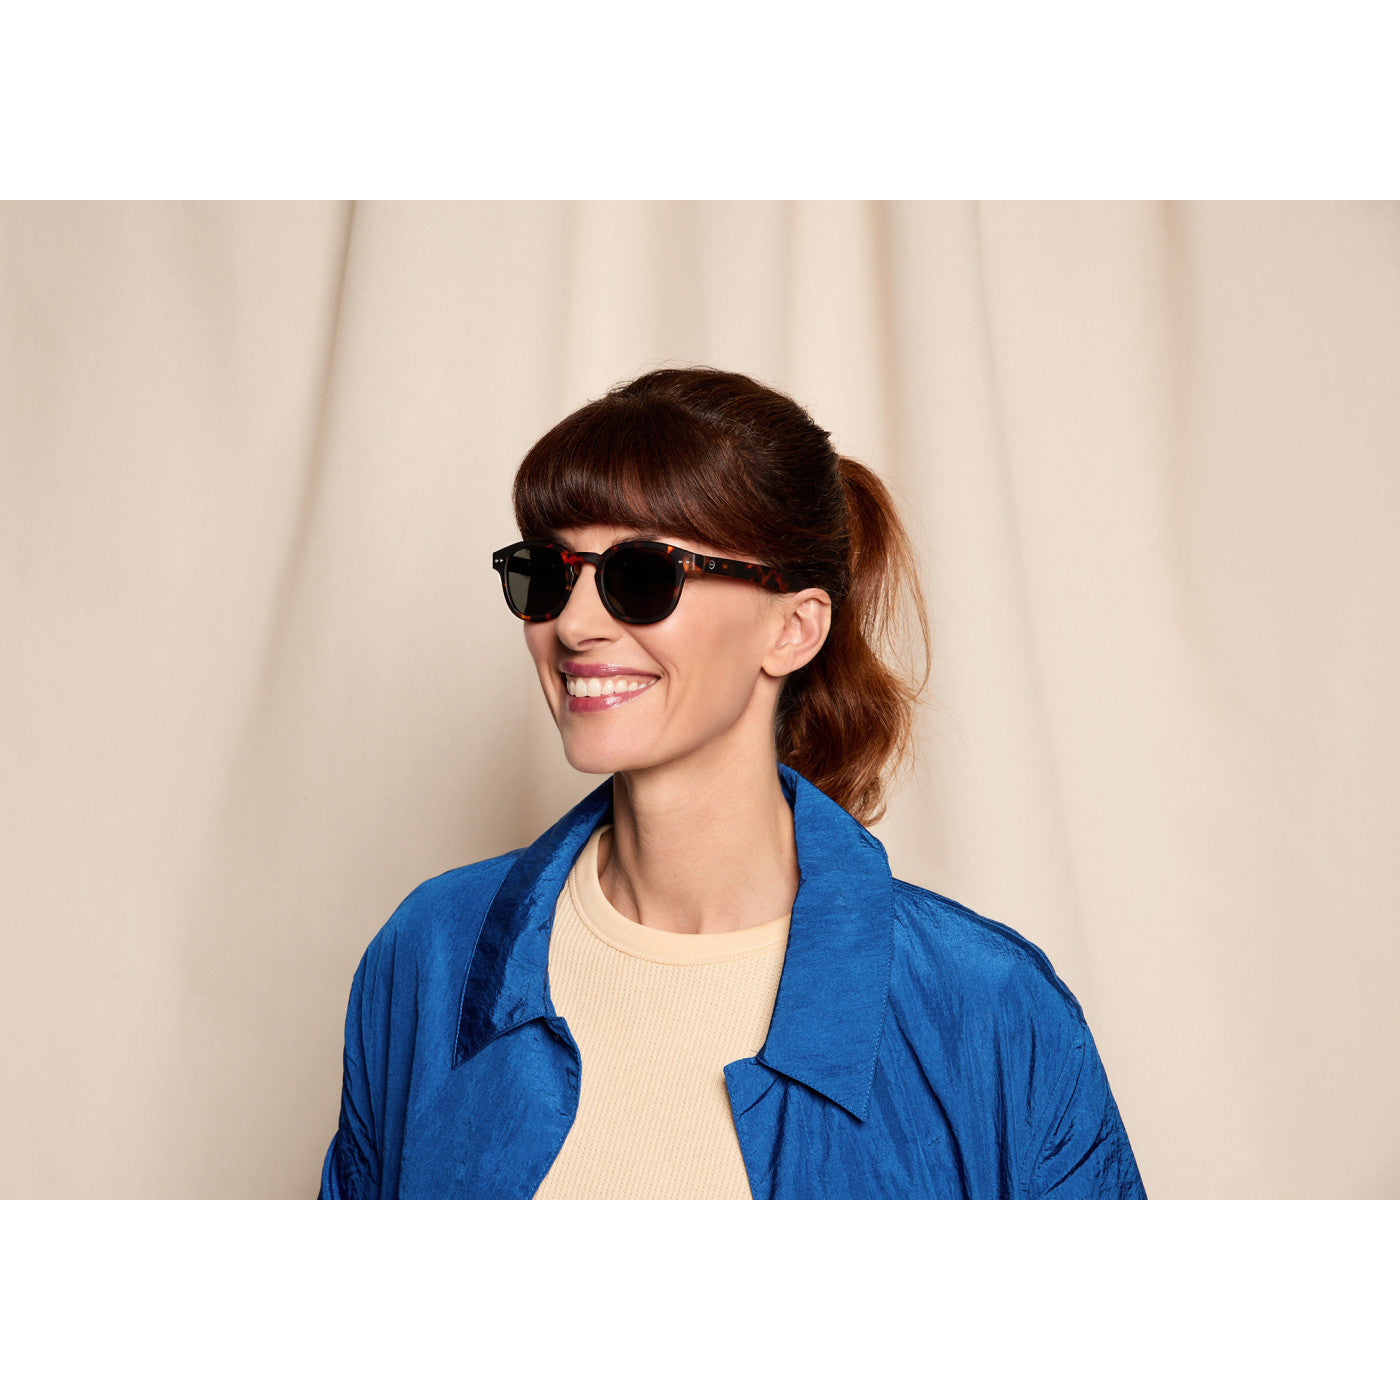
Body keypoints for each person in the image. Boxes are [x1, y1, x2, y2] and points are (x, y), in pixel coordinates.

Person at [318, 366, 1147, 1200]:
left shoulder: (987, 1012)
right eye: (548, 572)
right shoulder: (433, 955)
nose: (572, 624)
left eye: (644, 576)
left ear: (794, 629)